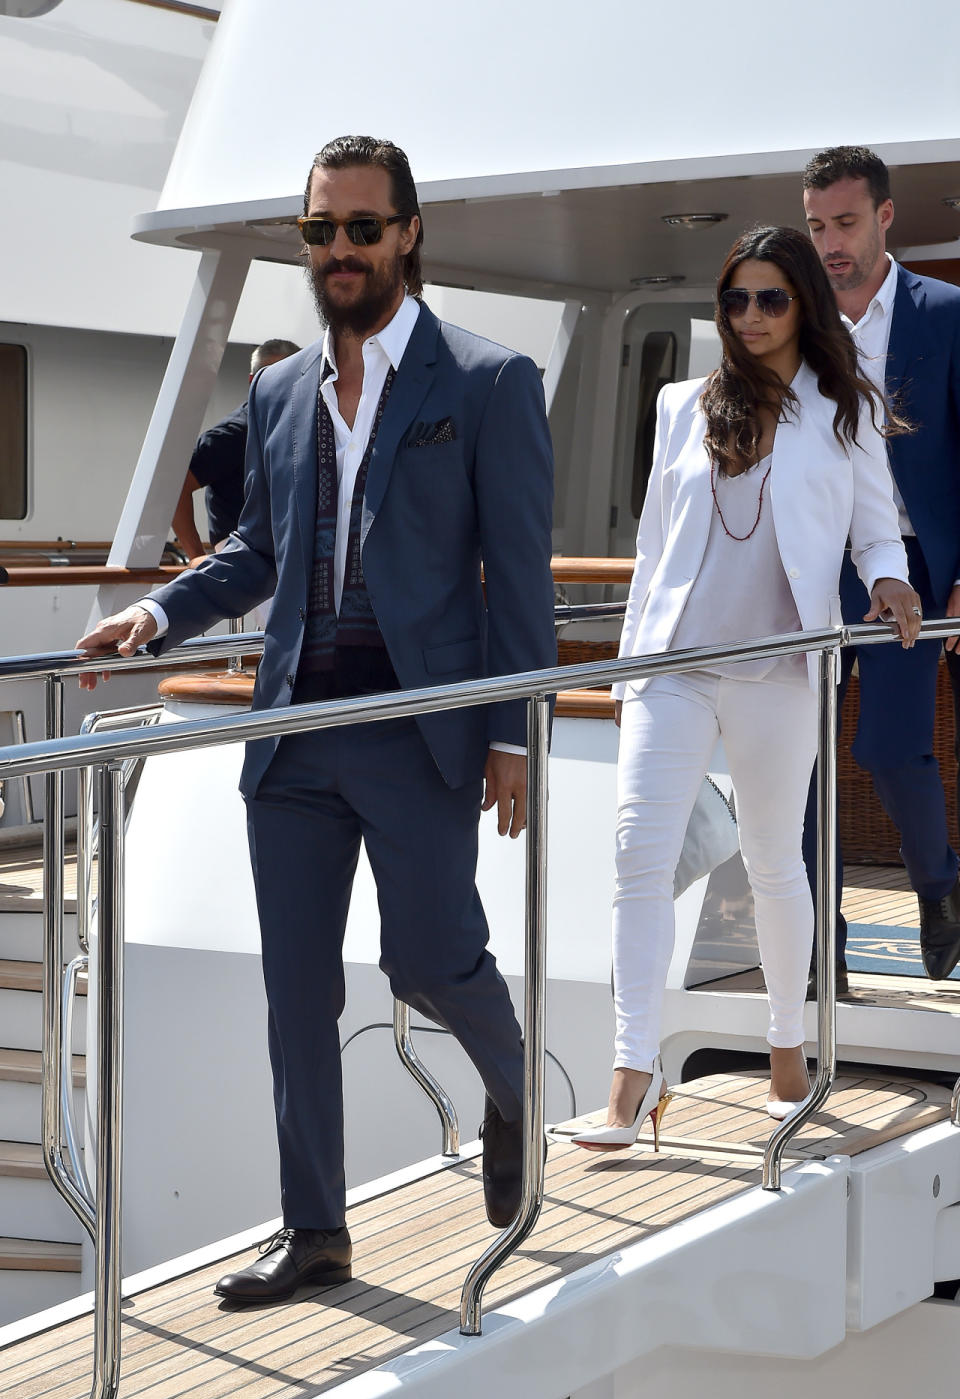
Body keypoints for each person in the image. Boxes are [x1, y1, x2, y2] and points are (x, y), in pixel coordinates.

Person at [77, 134, 557, 1301]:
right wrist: (158, 615)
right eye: (319, 230)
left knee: (430, 956)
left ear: (407, 235)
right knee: (297, 988)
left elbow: (521, 570)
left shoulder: (488, 382)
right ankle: (316, 1233)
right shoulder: (281, 390)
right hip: (292, 727)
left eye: (359, 227)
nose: (338, 250)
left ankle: (517, 1094)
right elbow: (259, 548)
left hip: (419, 725)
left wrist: (510, 734)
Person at [571, 225, 920, 1153]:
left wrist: (889, 581)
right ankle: (631, 1075)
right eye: (736, 300)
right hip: (671, 665)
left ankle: (786, 1051)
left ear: (804, 303)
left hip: (782, 665)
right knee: (639, 861)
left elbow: (877, 533)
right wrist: (627, 663)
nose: (752, 316)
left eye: (772, 298)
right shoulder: (682, 403)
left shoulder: (845, 411)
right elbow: (653, 543)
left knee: (773, 861)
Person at [801, 146, 960, 988]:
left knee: (892, 746)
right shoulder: (792, 317)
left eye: (847, 223)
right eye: (818, 224)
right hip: (812, 568)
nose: (830, 242)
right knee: (801, 756)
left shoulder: (946, 313)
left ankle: (939, 885)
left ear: (886, 216)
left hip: (918, 568)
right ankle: (823, 951)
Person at [171, 338, 301, 564]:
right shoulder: (235, 433)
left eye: (292, 379)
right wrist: (196, 557)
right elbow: (175, 486)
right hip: (243, 560)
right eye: (275, 379)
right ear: (253, 382)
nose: (284, 388)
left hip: (288, 557)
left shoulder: (301, 427)